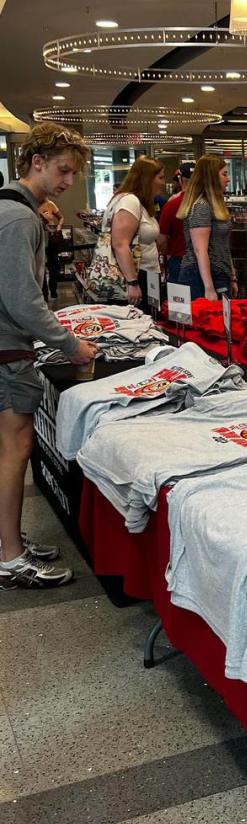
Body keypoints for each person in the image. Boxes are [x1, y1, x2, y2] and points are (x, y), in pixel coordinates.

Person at [0, 123, 97, 588]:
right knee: (13, 450)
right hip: (6, 349)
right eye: (62, 170)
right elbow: (23, 299)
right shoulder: (17, 217)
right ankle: (11, 556)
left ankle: (8, 542)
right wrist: (71, 343)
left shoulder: (17, 211)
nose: (66, 182)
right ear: (36, 162)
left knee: (10, 449)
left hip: (8, 345)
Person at [104, 156, 166, 305]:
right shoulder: (129, 201)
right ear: (147, 179)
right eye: (160, 177)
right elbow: (120, 244)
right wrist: (132, 283)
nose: (163, 183)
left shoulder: (139, 203)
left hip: (146, 274)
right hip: (136, 276)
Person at [178, 155, 237, 301]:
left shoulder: (214, 205)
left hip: (218, 273)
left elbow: (223, 245)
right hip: (201, 275)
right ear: (211, 178)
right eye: (224, 174)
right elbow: (200, 250)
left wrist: (232, 276)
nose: (227, 179)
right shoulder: (202, 207)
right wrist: (209, 288)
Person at [158, 168, 186, 284]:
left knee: (179, 301)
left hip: (177, 258)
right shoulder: (209, 202)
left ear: (180, 181)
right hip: (208, 261)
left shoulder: (172, 203)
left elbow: (162, 238)